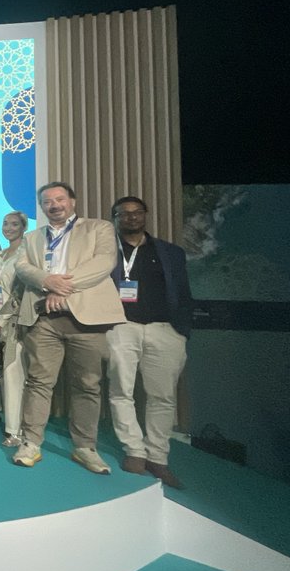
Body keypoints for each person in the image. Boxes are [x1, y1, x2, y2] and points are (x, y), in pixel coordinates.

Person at [12, 182, 126, 472]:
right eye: (47, 202)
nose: (54, 205)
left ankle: (85, 447)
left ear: (72, 201)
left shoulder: (98, 228)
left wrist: (61, 287)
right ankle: (31, 442)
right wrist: (46, 281)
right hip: (43, 320)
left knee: (87, 384)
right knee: (38, 382)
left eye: (59, 199)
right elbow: (23, 268)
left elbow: (103, 263)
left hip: (86, 319)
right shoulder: (32, 237)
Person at [107, 196, 193, 489]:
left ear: (145, 215)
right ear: (115, 219)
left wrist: (182, 331)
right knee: (121, 390)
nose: (131, 218)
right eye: (123, 214)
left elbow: (183, 293)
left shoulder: (171, 253)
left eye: (136, 212)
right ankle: (134, 450)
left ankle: (158, 456)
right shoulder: (106, 252)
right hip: (121, 326)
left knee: (163, 396)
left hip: (164, 329)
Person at [0, 212, 28, 446]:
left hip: (13, 323)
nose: (8, 228)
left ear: (23, 227)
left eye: (14, 224)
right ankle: (9, 421)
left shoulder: (27, 255)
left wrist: (1, 320)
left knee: (13, 374)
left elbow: (20, 293)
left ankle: (14, 431)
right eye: (5, 223)